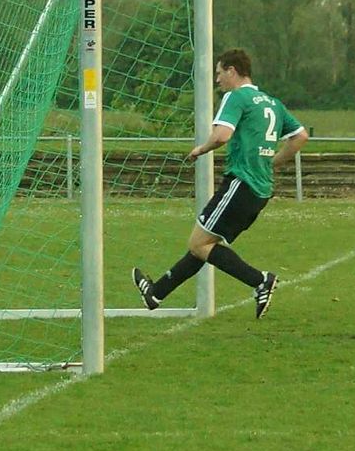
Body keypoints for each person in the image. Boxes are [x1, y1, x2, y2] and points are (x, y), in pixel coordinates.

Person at [132, 48, 308, 319]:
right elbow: (300, 136)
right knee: (205, 245)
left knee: (199, 244)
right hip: (260, 190)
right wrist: (273, 162)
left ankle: (260, 280)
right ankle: (156, 293)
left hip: (241, 184)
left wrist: (200, 149)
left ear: (232, 71)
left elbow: (222, 135)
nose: (217, 80)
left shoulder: (236, 97)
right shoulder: (272, 103)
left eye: (219, 73)